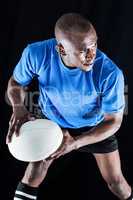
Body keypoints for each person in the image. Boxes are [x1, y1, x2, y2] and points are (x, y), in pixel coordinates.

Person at [6, 13, 132, 200]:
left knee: (116, 183)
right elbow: (16, 83)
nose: (91, 55)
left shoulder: (110, 73)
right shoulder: (36, 54)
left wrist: (76, 142)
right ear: (62, 50)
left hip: (94, 125)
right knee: (33, 174)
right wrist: (18, 107)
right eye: (83, 50)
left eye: (94, 45)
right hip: (52, 120)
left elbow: (113, 121)